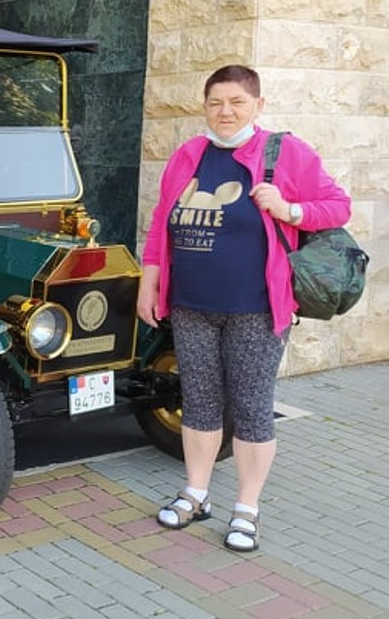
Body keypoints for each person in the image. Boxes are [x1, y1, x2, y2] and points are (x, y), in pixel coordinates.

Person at [137, 64, 351, 552]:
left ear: (258, 105)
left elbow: (338, 205)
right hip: (191, 306)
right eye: (216, 102)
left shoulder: (286, 153)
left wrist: (290, 210)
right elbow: (161, 221)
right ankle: (196, 493)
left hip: (256, 309)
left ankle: (246, 508)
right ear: (205, 106)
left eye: (237, 102)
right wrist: (151, 281)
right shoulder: (189, 154)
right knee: (199, 403)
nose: (225, 112)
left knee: (252, 409)